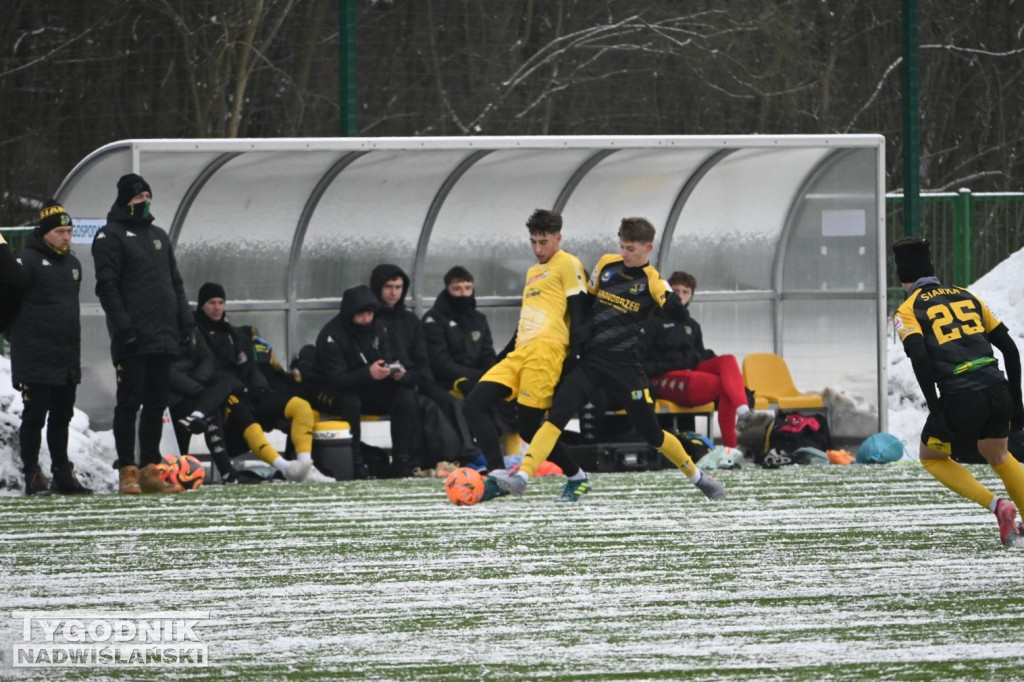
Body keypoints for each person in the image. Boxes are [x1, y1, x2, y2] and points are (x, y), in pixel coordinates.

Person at [490, 217, 727, 501]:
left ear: (647, 247)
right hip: (592, 363)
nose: (624, 253)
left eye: (630, 248)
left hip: (626, 369)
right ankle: (522, 476)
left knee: (653, 434)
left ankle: (699, 478)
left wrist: (675, 308)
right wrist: (581, 334)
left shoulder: (653, 281)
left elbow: (675, 309)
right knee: (556, 419)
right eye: (622, 246)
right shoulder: (606, 265)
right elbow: (586, 304)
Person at [893, 237, 1024, 547]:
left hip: (961, 394)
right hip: (996, 387)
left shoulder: (908, 309)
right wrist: (1016, 399)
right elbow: (1009, 347)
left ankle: (999, 507)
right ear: (933, 271)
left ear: (902, 279)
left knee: (932, 457)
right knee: (1000, 454)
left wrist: (936, 410)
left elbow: (921, 358)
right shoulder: (968, 296)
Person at [462, 208, 593, 503]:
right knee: (474, 403)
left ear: (558, 238)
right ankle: (497, 475)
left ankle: (577, 476)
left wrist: (575, 357)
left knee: (529, 427)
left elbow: (580, 314)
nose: (537, 249)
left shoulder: (568, 264)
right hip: (522, 351)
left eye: (543, 242)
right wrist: (504, 354)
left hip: (547, 352)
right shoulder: (532, 272)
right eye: (533, 241)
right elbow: (528, 318)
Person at [92, 173, 189, 494]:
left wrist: (185, 322)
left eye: (147, 197)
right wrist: (124, 328)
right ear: (125, 201)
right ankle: (127, 471)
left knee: (157, 403)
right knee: (129, 402)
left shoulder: (159, 236)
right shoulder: (110, 236)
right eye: (137, 198)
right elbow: (107, 288)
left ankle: (150, 468)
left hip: (163, 336)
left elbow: (175, 283)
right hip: (132, 338)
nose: (144, 203)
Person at [192, 282, 315, 482]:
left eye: (221, 302)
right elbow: (207, 372)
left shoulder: (234, 333)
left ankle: (305, 466)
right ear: (201, 305)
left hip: (249, 392)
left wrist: (260, 388)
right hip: (220, 397)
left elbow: (250, 366)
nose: (217, 307)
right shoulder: (194, 333)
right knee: (247, 419)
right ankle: (284, 467)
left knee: (301, 406)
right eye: (211, 302)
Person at [9, 202, 91, 495]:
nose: (67, 237)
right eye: (60, 231)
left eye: (69, 231)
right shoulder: (26, 263)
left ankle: (62, 473)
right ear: (44, 234)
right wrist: (18, 338)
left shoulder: (73, 266)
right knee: (34, 416)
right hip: (35, 356)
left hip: (65, 355)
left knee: (62, 417)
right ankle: (31, 473)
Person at [370, 263, 482, 472]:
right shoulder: (371, 319)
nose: (394, 292)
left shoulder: (410, 320)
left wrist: (421, 381)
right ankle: (446, 457)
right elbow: (376, 355)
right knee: (426, 407)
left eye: (399, 287)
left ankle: (470, 454)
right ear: (377, 287)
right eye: (388, 287)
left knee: (449, 401)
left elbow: (423, 360)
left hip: (415, 381)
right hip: (385, 387)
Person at [302, 284, 420, 478]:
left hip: (366, 386)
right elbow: (336, 379)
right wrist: (368, 373)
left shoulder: (378, 326)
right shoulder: (332, 335)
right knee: (351, 401)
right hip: (328, 391)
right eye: (361, 315)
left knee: (404, 396)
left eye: (370, 314)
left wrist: (395, 372)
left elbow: (386, 355)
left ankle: (402, 462)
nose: (367, 319)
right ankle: (355, 463)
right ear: (349, 314)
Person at [643, 271, 763, 453]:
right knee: (723, 386)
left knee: (728, 360)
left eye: (686, 292)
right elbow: (643, 363)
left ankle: (741, 421)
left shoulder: (692, 325)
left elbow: (698, 356)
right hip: (662, 378)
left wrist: (739, 387)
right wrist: (677, 362)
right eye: (676, 291)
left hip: (690, 374)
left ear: (691, 296)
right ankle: (731, 446)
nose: (680, 296)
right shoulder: (652, 321)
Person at [422, 265, 498, 398]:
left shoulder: (479, 319)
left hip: (476, 378)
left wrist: (491, 372)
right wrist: (478, 375)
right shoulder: (433, 319)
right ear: (447, 290)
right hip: (446, 383)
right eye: (457, 289)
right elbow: (440, 364)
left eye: (468, 288)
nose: (463, 294)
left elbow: (487, 354)